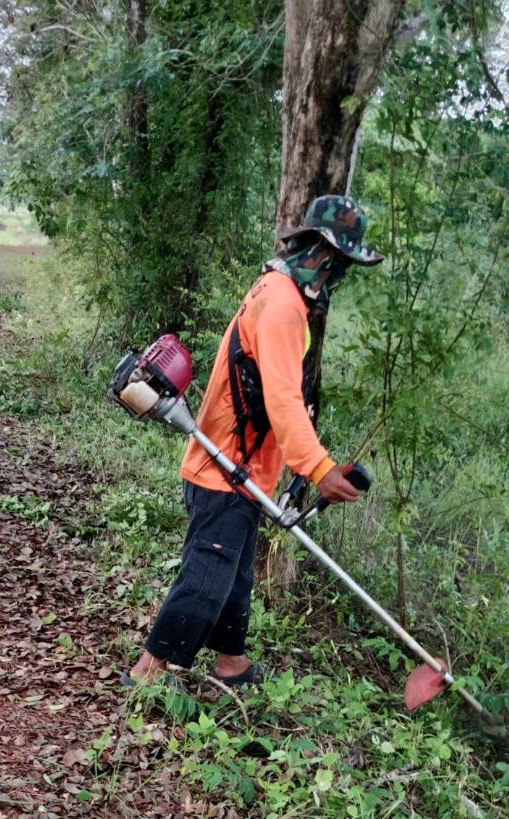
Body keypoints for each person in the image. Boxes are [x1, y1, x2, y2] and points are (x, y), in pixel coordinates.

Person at [126, 195, 384, 689]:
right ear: (323, 255)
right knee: (207, 576)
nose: (339, 276)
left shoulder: (275, 288)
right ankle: (148, 672)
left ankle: (232, 662)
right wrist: (318, 468)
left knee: (235, 573)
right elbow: (283, 397)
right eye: (340, 264)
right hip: (226, 466)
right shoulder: (283, 306)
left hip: (243, 467)